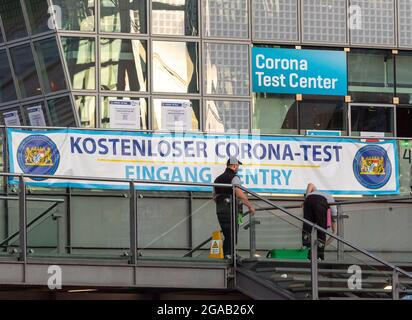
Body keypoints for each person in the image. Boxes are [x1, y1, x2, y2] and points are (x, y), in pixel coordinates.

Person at [213, 157, 255, 258]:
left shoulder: (217, 179)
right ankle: (230, 254)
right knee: (233, 232)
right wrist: (249, 205)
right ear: (234, 166)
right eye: (238, 166)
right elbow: (238, 192)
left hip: (220, 210)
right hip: (231, 209)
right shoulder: (234, 177)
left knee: (227, 233)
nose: (238, 168)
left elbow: (214, 197)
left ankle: (228, 254)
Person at [302, 183, 337, 260]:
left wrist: (306, 198)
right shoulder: (331, 199)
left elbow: (310, 184)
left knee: (307, 224)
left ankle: (305, 245)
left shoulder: (315, 191)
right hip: (321, 202)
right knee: (321, 230)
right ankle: (319, 255)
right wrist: (324, 244)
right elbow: (334, 232)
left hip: (309, 200)